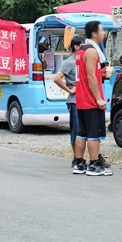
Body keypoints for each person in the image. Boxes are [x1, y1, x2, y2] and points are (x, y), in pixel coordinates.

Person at [72, 21, 113, 176]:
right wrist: (99, 99)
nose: (103, 33)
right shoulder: (92, 52)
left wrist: (101, 73)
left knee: (82, 132)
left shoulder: (81, 50)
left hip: (81, 99)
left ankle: (79, 162)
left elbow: (88, 74)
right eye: (102, 30)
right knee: (93, 134)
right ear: (94, 33)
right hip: (90, 100)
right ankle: (95, 164)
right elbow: (90, 76)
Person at [53, 35, 83, 167]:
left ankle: (80, 157)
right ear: (76, 46)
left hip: (85, 100)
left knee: (83, 131)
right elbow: (56, 78)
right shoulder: (69, 62)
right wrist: (69, 90)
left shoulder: (83, 60)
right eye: (83, 45)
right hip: (74, 101)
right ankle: (76, 158)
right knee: (76, 130)